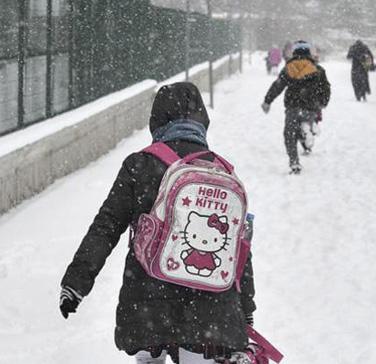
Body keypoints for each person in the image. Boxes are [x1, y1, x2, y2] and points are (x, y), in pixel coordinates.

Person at [59, 82, 256, 364]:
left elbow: (106, 226)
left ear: (157, 120)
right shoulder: (221, 172)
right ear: (202, 120)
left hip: (147, 302)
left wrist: (76, 283)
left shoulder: (139, 165)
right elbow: (239, 249)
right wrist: (244, 307)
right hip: (210, 309)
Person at [261, 41, 331, 174]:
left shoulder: (288, 68)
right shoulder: (318, 70)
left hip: (293, 106)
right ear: (309, 53)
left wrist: (267, 101)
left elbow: (278, 86)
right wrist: (322, 102)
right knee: (304, 124)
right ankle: (308, 130)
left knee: (289, 134)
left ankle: (294, 162)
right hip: (311, 107)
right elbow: (325, 89)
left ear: (294, 53)